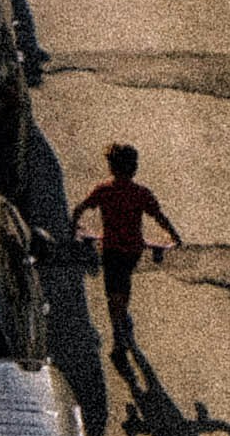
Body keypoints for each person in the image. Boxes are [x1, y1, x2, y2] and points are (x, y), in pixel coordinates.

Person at [71, 142, 183, 364]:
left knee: (112, 292)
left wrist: (74, 229)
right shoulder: (141, 193)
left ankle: (118, 334)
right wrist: (174, 237)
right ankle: (123, 318)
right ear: (134, 168)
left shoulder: (104, 191)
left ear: (111, 167)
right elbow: (159, 217)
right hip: (132, 250)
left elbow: (79, 209)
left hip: (111, 248)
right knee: (124, 284)